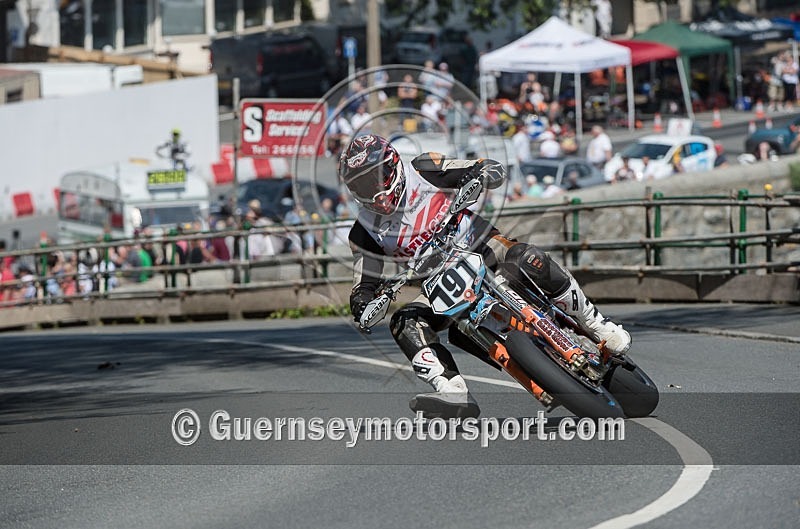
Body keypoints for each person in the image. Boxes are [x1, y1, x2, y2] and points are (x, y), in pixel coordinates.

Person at [340, 134, 632, 418]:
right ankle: (451, 390)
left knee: (529, 258)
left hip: (482, 245)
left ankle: (597, 325)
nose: (372, 191)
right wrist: (362, 302)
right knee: (405, 322)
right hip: (437, 283)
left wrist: (483, 173)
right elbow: (363, 281)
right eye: (361, 185)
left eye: (373, 180)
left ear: (391, 167)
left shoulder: (423, 168)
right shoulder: (363, 231)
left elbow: (477, 167)